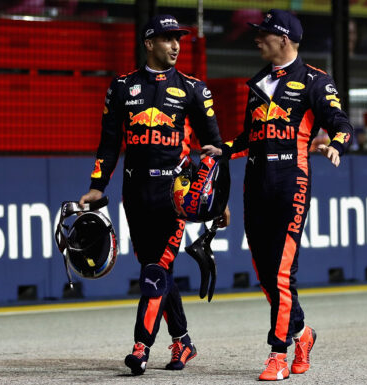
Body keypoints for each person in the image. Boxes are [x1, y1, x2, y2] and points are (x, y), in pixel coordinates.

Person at [79, 14, 229, 375]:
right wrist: (98, 185)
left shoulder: (195, 89)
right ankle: (183, 341)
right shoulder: (120, 87)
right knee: (153, 268)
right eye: (167, 39)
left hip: (176, 191)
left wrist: (219, 201)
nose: (176, 45)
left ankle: (140, 346)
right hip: (135, 190)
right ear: (149, 43)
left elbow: (214, 148)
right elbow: (109, 143)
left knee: (158, 268)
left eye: (178, 39)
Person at [221, 9, 354, 381]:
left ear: (283, 39)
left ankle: (277, 353)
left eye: (263, 34)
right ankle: (303, 334)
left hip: (290, 181)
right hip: (255, 182)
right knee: (263, 272)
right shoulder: (257, 82)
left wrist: (337, 146)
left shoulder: (315, 80)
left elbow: (340, 122)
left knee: (281, 272)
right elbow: (249, 136)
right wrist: (224, 148)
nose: (257, 39)